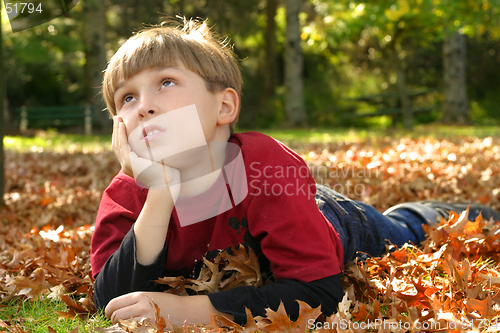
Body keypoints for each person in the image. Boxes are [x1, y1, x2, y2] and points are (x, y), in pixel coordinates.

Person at [90, 18, 500, 326]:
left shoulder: (264, 164)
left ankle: (443, 212)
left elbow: (319, 291)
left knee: (408, 229)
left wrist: (192, 311)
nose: (143, 106)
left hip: (337, 221)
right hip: (280, 216)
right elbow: (110, 298)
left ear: (224, 108)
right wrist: (160, 193)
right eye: (127, 97)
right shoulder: (127, 194)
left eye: (165, 83)